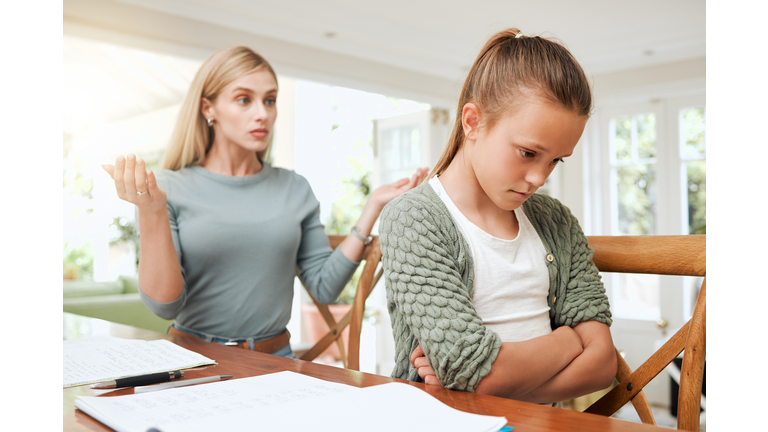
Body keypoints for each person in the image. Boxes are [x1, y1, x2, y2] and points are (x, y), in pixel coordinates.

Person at [102, 46, 427, 358]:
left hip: (276, 360)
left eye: (269, 100)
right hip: (193, 361)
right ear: (208, 109)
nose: (263, 114)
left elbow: (325, 289)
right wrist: (152, 210)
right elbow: (164, 307)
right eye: (244, 100)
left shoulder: (295, 188)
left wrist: (372, 208)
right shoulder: (166, 189)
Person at [379, 29, 616, 405]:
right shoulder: (412, 220)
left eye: (556, 159)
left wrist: (497, 385)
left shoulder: (555, 220)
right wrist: (570, 340)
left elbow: (603, 364)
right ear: (472, 122)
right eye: (528, 153)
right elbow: (475, 371)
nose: (540, 178)